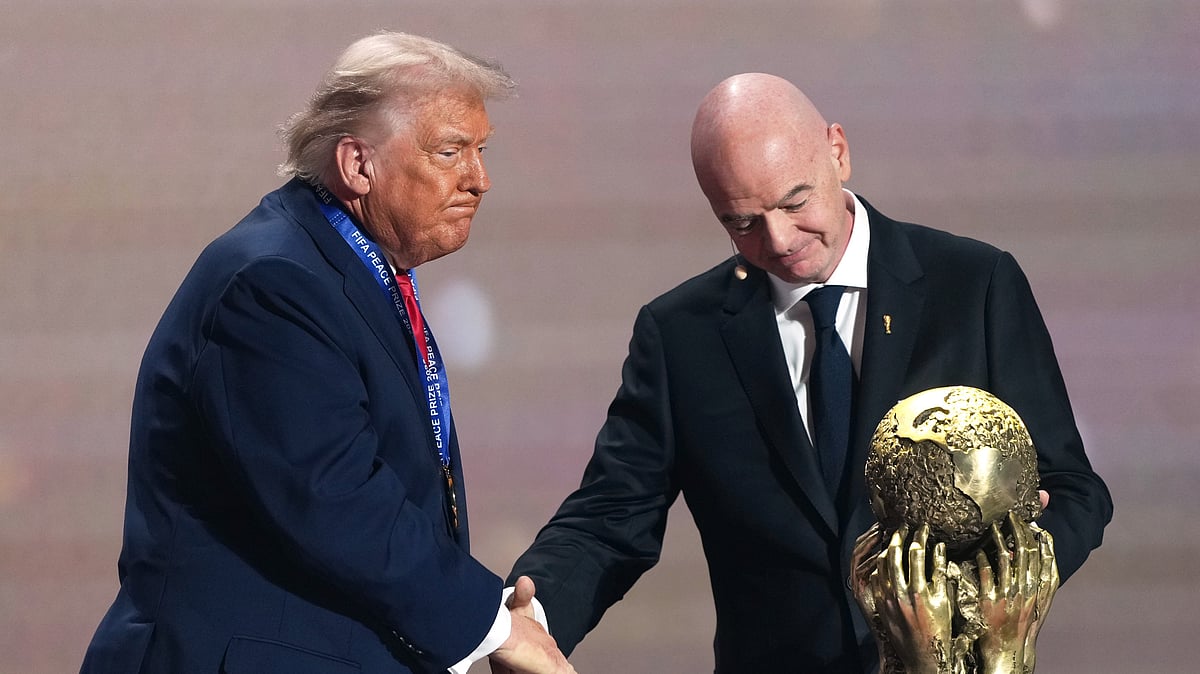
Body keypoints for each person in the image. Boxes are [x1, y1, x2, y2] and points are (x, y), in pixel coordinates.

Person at [506, 73, 1112, 672]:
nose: (778, 240)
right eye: (741, 222)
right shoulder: (680, 336)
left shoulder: (973, 285)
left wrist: (982, 595)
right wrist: (531, 618)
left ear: (838, 152)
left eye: (795, 203)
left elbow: (1071, 488)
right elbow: (612, 515)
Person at [81, 31, 573, 674]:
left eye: (481, 151)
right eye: (450, 151)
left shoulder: (351, 272)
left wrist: (493, 613)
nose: (480, 180)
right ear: (357, 165)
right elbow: (334, 497)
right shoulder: (273, 284)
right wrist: (492, 626)